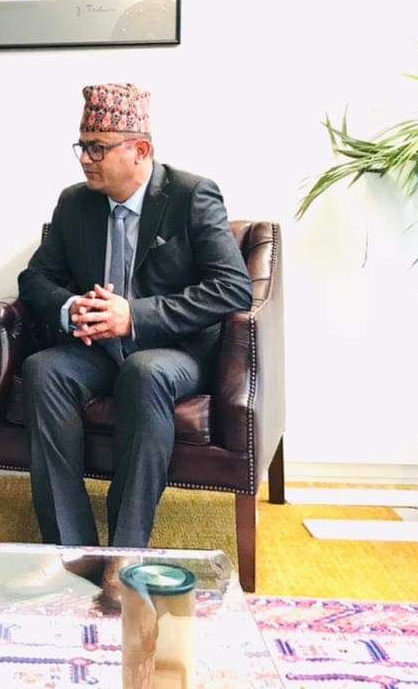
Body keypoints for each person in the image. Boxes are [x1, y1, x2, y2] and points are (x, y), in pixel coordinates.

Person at [18, 83, 252, 549]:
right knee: (43, 370)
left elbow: (233, 287)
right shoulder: (75, 203)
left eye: (98, 148)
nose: (85, 159)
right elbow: (35, 278)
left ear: (139, 151)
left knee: (144, 372)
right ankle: (72, 552)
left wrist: (135, 316)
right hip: (99, 349)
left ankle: (125, 554)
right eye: (82, 146)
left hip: (174, 351)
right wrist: (70, 307)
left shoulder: (191, 195)